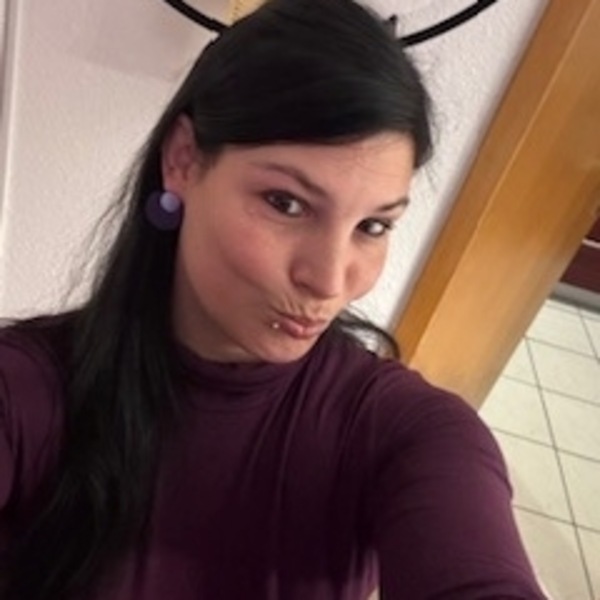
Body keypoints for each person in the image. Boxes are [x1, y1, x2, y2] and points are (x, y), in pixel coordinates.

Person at [0, 0, 547, 598]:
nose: (329, 281)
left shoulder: (404, 430)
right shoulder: (26, 390)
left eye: (373, 226)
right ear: (183, 161)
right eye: (286, 204)